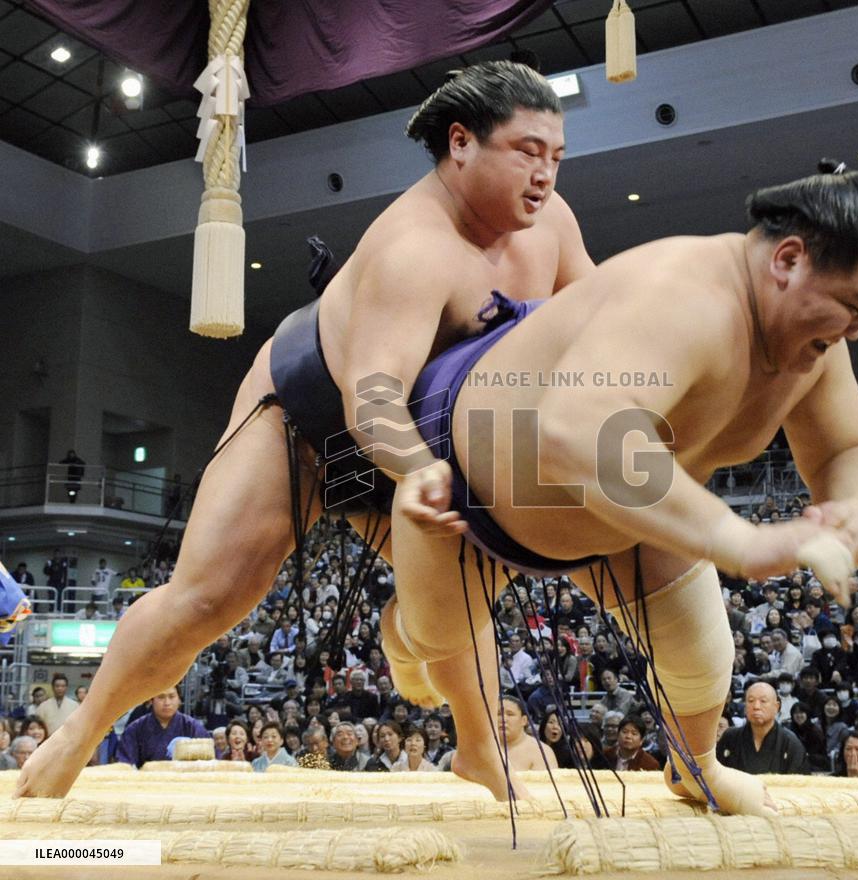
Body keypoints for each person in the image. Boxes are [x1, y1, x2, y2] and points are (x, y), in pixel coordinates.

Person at [15, 60, 593, 799]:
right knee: (207, 600)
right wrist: (421, 473)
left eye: (555, 156)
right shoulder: (414, 247)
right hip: (310, 420)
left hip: (422, 434)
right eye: (526, 152)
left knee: (463, 568)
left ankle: (478, 746)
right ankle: (81, 729)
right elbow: (372, 400)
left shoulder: (556, 228)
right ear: (461, 144)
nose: (544, 175)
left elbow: (596, 326)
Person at [383, 161, 858, 811]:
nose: (857, 331)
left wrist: (852, 511)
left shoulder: (815, 342)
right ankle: (399, 636)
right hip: (470, 490)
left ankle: (693, 766)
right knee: (431, 637)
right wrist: (739, 540)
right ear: (788, 259)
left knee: (700, 652)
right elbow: (575, 435)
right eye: (854, 306)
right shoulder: (684, 293)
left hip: (624, 512)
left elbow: (852, 445)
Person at [717, 682, 810, 775]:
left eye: (763, 701)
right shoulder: (730, 737)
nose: (756, 706)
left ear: (776, 707)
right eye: (751, 701)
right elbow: (715, 777)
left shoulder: (790, 742)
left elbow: (800, 784)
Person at [115, 687, 209, 768]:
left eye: (172, 697)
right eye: (161, 697)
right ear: (151, 700)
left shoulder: (192, 727)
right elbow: (125, 764)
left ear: (179, 700)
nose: (167, 703)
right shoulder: (135, 729)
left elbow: (209, 760)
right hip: (147, 783)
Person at [497, 696, 558, 772]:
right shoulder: (481, 748)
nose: (503, 719)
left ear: (524, 720)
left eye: (510, 714)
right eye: (499, 714)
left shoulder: (542, 751)